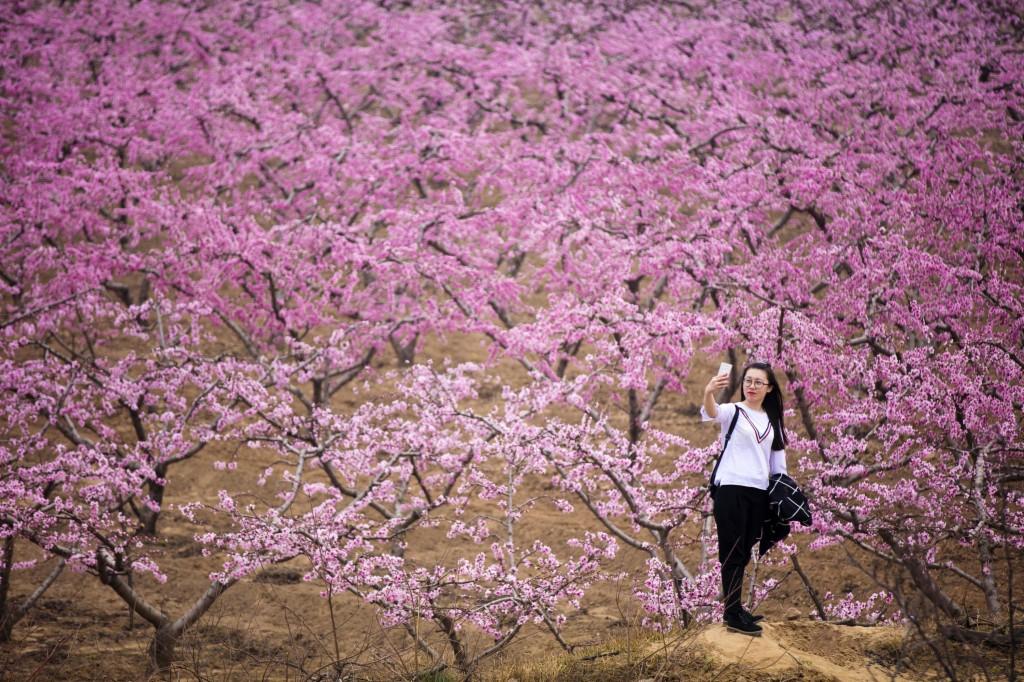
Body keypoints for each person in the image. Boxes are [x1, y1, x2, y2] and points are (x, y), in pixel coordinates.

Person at [702, 361, 788, 636]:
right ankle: (732, 613)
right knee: (732, 549)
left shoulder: (772, 420)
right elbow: (712, 411)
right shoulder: (734, 412)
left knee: (744, 549)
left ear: (769, 388)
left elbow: (778, 463)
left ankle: (736, 608)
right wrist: (708, 392)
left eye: (757, 382)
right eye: (748, 381)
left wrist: (781, 494)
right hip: (731, 488)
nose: (751, 386)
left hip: (759, 493)